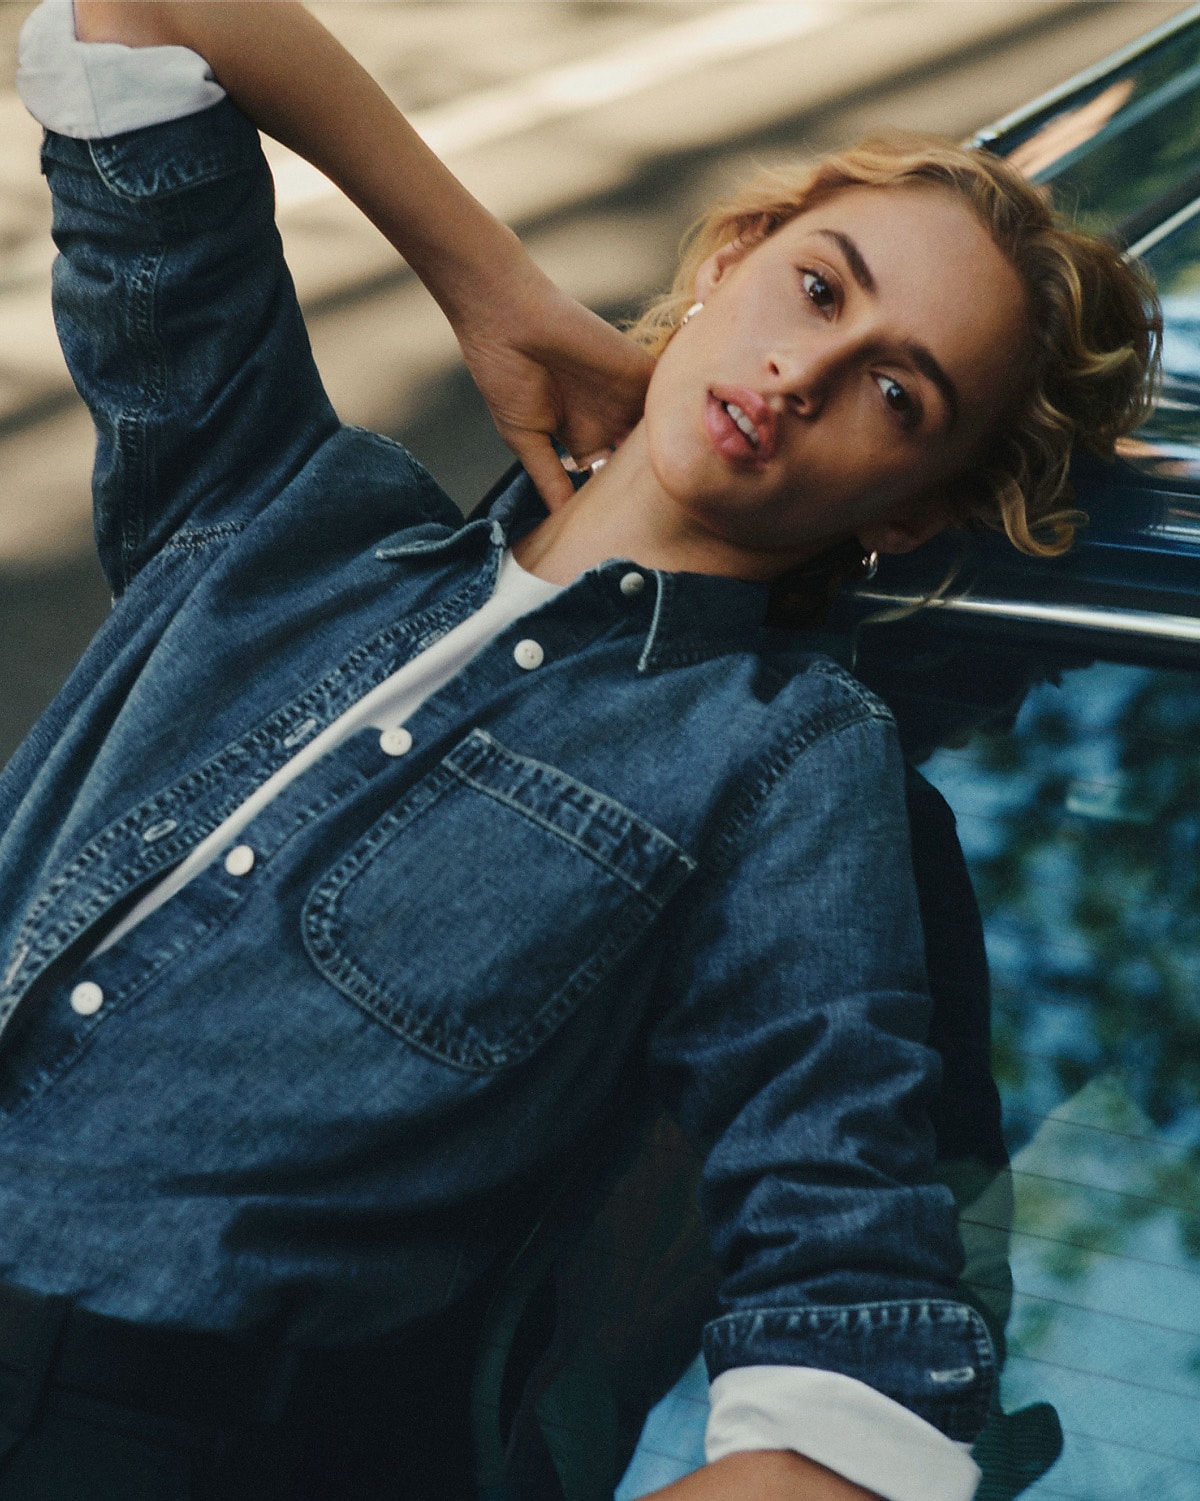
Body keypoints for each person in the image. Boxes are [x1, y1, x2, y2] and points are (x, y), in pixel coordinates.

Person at [4, 3, 1158, 1499]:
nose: (808, 371)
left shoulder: (785, 761)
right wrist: (491, 283)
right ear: (729, 261)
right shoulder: (290, 511)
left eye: (896, 393)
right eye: (816, 286)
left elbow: (857, 1389)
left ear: (910, 511)